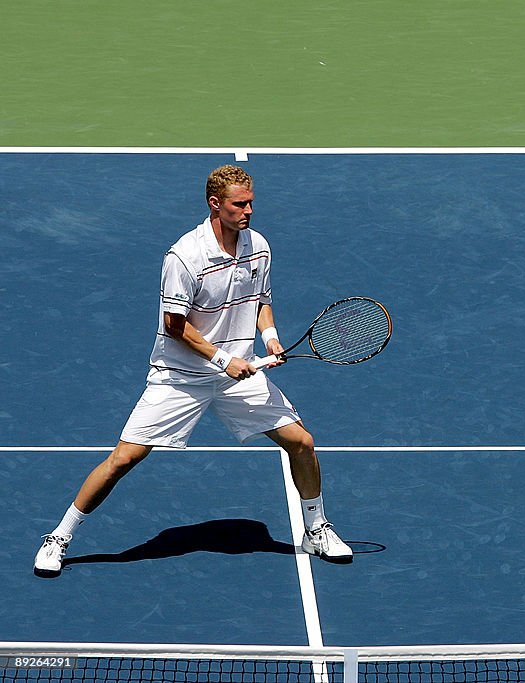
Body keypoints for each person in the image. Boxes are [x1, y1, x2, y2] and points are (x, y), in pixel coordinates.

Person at [34, 165, 352, 577]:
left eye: (251, 202)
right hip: (181, 376)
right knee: (124, 459)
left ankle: (316, 528)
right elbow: (174, 324)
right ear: (215, 205)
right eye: (240, 204)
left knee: (302, 442)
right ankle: (59, 537)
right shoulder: (185, 255)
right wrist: (223, 359)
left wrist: (270, 337)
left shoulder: (259, 246)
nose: (249, 211)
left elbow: (260, 300)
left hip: (237, 374)